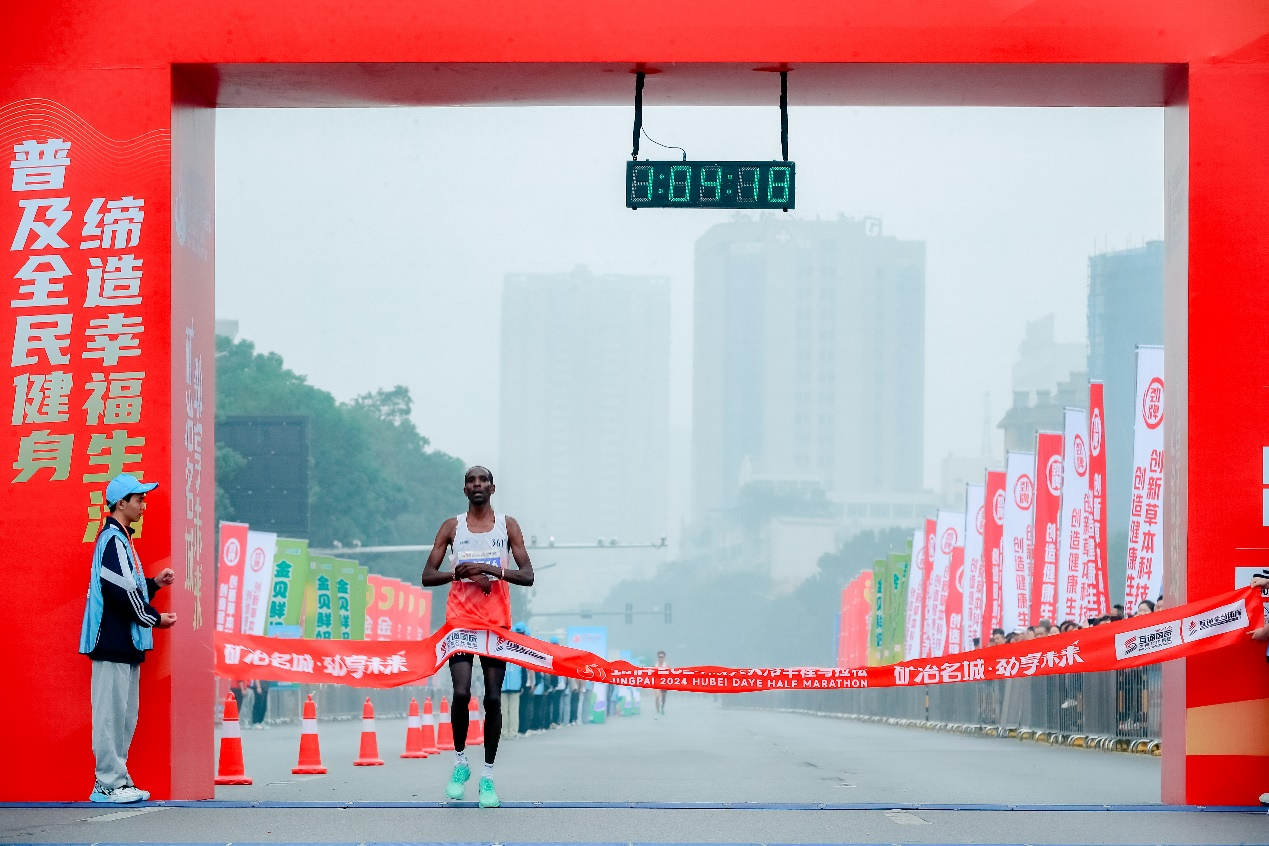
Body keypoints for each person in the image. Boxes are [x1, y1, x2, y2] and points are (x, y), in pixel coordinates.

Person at [421, 465, 534, 809]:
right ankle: (460, 764)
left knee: (494, 700)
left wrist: (487, 569)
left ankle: (488, 776)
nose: (477, 485)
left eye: (483, 480)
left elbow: (527, 575)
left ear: (493, 487)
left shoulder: (508, 526)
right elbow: (428, 575)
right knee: (460, 692)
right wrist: (460, 571)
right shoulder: (452, 527)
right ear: (465, 489)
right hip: (460, 622)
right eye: (471, 481)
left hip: (496, 623)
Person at [79, 473, 177, 804]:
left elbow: (128, 588)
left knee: (124, 715)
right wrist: (154, 618)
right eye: (139, 500)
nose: (144, 506)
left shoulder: (121, 538)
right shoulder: (112, 539)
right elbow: (119, 593)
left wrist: (153, 584)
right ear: (121, 503)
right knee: (110, 715)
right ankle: (108, 783)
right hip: (112, 641)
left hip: (124, 642)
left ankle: (115, 780)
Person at [500, 622, 528, 738]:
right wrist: (523, 684)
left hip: (502, 685)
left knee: (503, 711)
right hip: (515, 685)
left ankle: (504, 732)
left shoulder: (500, 648)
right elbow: (523, 670)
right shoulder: (520, 649)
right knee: (513, 710)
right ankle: (513, 732)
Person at [653, 650, 669, 717]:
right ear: (658, 657)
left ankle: (662, 707)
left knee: (663, 698)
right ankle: (657, 711)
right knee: (657, 697)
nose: (660, 658)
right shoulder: (655, 665)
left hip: (664, 683)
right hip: (657, 683)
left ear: (664, 657)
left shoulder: (666, 665)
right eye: (659, 657)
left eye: (662, 657)